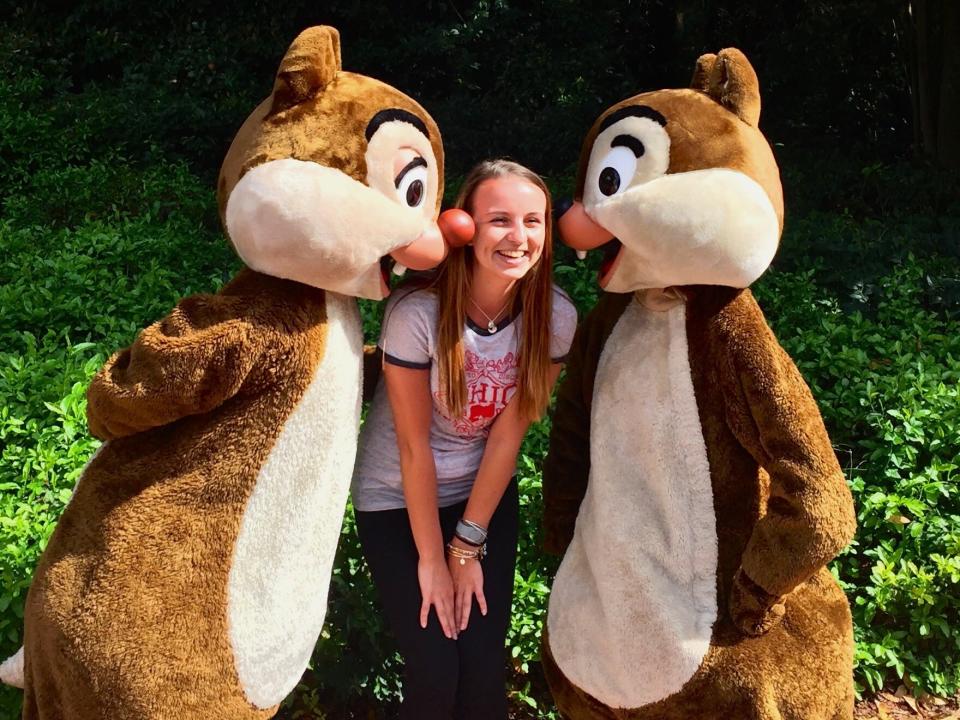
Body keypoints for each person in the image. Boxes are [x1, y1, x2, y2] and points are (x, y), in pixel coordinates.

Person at [351, 159, 576, 719]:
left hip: (479, 501)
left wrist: (465, 549)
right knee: (434, 672)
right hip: (397, 501)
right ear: (465, 225)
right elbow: (411, 447)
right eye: (499, 219)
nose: (519, 237)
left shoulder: (555, 319)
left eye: (534, 220)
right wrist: (433, 559)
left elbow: (507, 440)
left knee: (480, 678)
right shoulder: (417, 314)